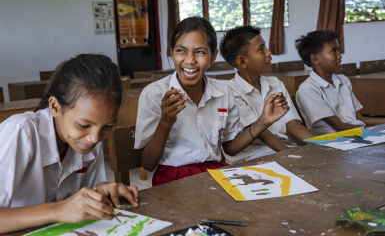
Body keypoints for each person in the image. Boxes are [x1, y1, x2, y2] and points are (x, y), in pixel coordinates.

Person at [134, 17, 289, 186]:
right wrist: (165, 122)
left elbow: (229, 148)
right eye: (181, 51)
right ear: (171, 52)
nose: (190, 60)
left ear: (213, 56)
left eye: (200, 52)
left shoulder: (223, 91)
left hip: (216, 172)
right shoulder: (154, 94)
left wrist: (264, 120)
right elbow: (148, 164)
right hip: (173, 176)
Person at [0, 54, 139, 234]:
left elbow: (84, 198)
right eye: (83, 125)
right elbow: (65, 209)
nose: (94, 138)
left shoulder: (87, 140)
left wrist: (100, 190)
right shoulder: (20, 132)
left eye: (108, 126)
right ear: (55, 107)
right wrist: (57, 210)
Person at [218, 25, 315, 164]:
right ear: (242, 61)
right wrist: (290, 155)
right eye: (261, 49)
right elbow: (263, 134)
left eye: (266, 47)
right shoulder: (230, 91)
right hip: (253, 157)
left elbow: (292, 124)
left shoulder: (276, 84)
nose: (269, 52)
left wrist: (319, 146)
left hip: (284, 150)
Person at [295, 30, 385, 135]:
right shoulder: (308, 90)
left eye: (338, 50)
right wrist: (374, 130)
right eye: (333, 51)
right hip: (335, 141)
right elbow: (339, 127)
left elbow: (359, 118)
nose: (340, 56)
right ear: (315, 59)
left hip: (357, 133)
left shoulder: (343, 80)